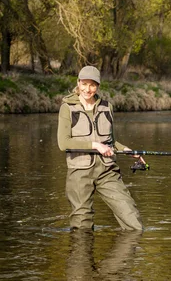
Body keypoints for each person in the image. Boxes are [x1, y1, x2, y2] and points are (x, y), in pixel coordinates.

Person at [57, 65, 143, 231]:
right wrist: (95, 145)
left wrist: (127, 150)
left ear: (98, 86)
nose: (88, 89)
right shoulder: (67, 108)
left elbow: (111, 141)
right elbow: (64, 143)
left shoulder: (107, 107)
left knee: (133, 221)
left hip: (107, 171)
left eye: (92, 85)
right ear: (78, 83)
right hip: (79, 173)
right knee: (82, 227)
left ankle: (126, 256)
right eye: (84, 84)